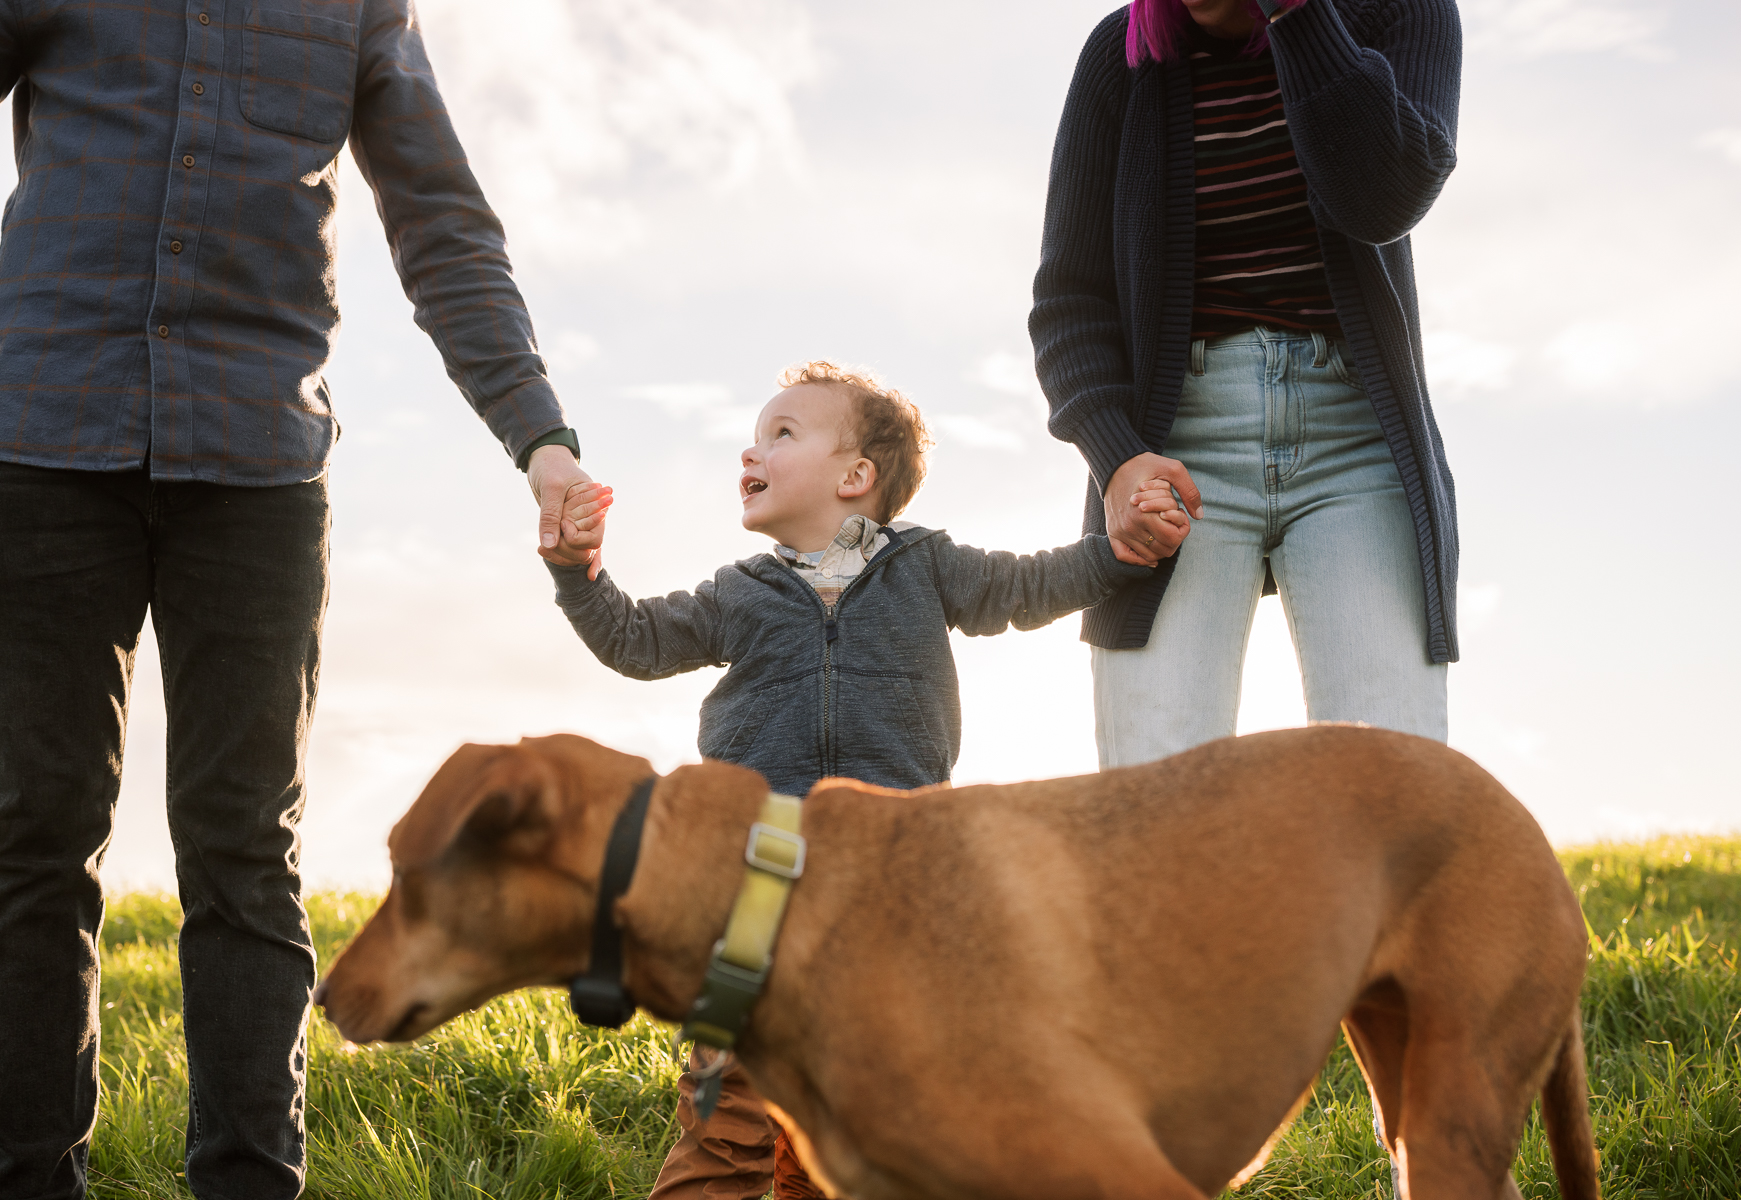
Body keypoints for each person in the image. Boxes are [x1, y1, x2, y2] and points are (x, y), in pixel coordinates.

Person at [0, 3, 599, 1197]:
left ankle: (247, 1181)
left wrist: (540, 439)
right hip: (43, 442)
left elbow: (441, 228)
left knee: (243, 850)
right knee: (32, 833)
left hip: (256, 472)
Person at [547, 360, 1166, 1200]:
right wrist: (576, 571)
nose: (750, 450)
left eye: (781, 433)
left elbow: (1027, 584)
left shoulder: (925, 567)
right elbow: (635, 641)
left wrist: (1116, 552)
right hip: (753, 887)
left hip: (891, 886)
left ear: (855, 477)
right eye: (756, 435)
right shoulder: (739, 591)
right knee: (731, 1116)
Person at [1030, 0, 1464, 766]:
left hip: (1356, 444)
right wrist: (1115, 456)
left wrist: (1299, 15)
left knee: (1389, 784)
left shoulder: (1400, 12)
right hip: (1172, 449)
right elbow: (1069, 298)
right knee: (1154, 798)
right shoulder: (1118, 56)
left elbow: (1383, 201)